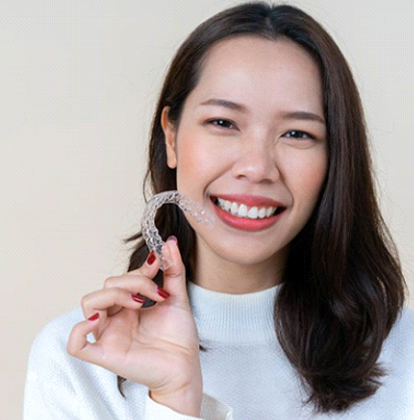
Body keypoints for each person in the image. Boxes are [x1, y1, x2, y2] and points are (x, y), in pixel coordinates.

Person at [23, 2, 414, 419]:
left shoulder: (404, 356)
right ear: (171, 137)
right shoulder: (81, 357)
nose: (257, 168)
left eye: (298, 133)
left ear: (335, 157)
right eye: (223, 123)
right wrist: (175, 400)